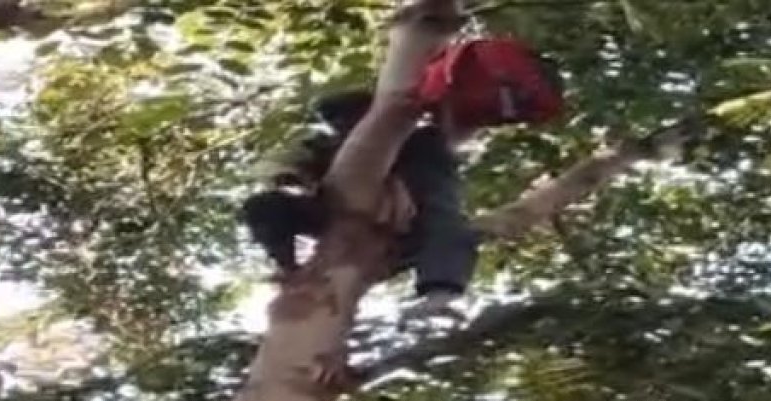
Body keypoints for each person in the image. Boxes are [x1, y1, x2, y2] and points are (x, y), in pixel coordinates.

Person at [241, 37, 565, 319]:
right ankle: (289, 271)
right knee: (263, 206)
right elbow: (277, 169)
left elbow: (442, 212)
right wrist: (287, 175)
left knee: (443, 216)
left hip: (401, 226)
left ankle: (440, 286)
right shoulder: (322, 146)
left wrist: (442, 285)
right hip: (334, 213)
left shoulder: (422, 144)